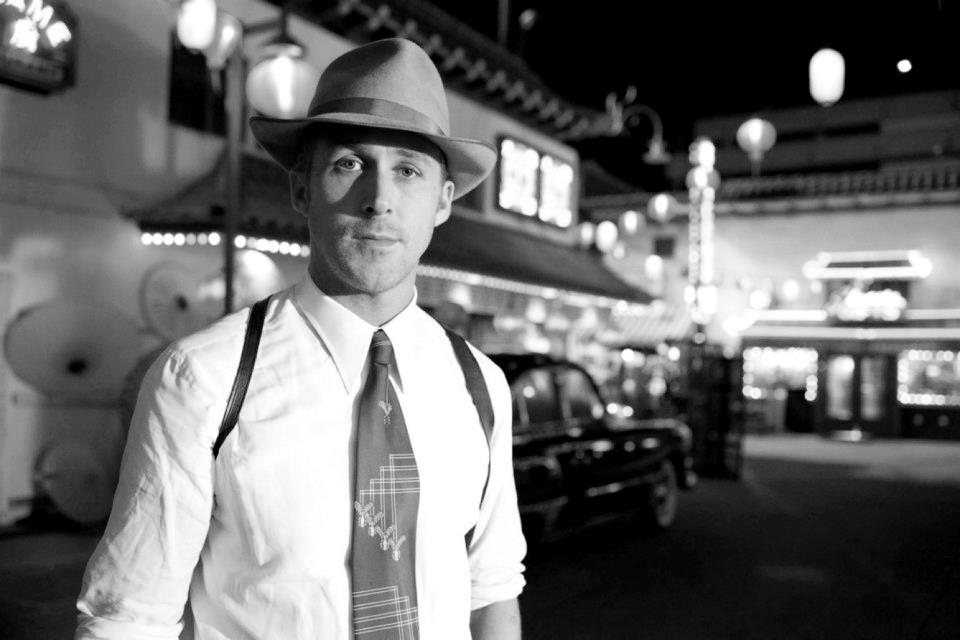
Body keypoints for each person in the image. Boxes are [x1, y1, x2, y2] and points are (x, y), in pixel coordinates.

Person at [75, 38, 526, 639]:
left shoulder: (479, 384)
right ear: (301, 189)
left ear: (443, 202)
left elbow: (491, 589)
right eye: (349, 164)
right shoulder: (206, 375)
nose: (380, 201)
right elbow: (129, 617)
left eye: (408, 170)